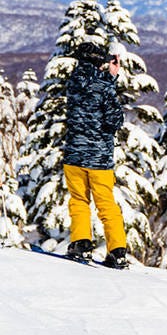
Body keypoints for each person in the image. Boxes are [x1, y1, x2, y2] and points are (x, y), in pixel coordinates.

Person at [63, 41, 129, 269]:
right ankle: (117, 250)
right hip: (99, 159)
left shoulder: (72, 83)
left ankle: (81, 244)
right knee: (106, 204)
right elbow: (115, 121)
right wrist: (110, 79)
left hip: (73, 155)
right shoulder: (104, 86)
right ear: (100, 60)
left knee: (79, 201)